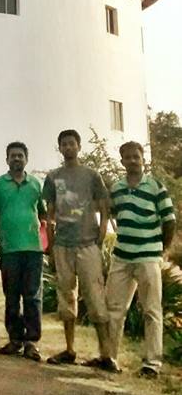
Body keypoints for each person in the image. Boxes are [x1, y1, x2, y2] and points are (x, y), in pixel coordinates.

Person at [43, 129, 117, 370]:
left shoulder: (91, 176)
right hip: (64, 245)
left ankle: (106, 354)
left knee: (95, 297)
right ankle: (70, 348)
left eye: (71, 143)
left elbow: (104, 210)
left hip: (87, 244)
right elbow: (50, 214)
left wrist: (100, 237)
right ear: (59, 148)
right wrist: (52, 246)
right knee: (66, 297)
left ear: (79, 146)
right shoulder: (53, 177)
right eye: (63, 144)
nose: (68, 147)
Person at [106, 141, 176, 378]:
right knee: (114, 309)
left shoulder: (156, 186)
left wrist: (160, 249)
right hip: (122, 257)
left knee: (151, 311)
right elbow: (112, 213)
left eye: (136, 156)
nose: (133, 160)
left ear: (142, 159)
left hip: (148, 257)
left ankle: (152, 363)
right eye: (128, 157)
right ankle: (109, 357)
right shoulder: (116, 188)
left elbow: (169, 221)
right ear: (122, 161)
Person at [0, 141, 45, 360]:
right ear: (7, 159)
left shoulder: (35, 185)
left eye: (20, 155)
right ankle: (15, 339)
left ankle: (31, 342)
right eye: (13, 155)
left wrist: (46, 241)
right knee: (11, 295)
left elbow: (43, 214)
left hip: (33, 248)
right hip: (9, 248)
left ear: (26, 159)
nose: (16, 159)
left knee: (32, 296)